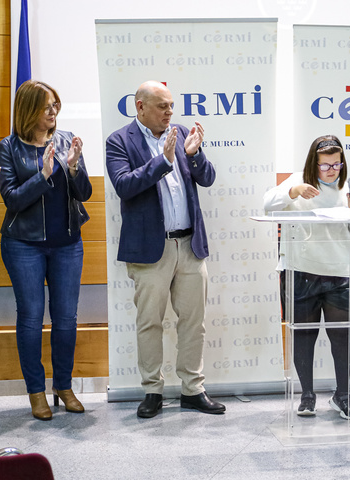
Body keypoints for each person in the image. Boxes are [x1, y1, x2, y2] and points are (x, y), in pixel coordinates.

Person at [106, 80, 224, 418]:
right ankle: (152, 391)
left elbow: (207, 178)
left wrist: (195, 154)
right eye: (162, 106)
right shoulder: (119, 141)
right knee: (149, 322)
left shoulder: (182, 131)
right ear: (140, 107)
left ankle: (192, 389)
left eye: (172, 106)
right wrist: (164, 159)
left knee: (193, 321)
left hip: (188, 244)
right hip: (149, 249)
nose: (170, 112)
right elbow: (124, 187)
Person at [0, 80, 92, 420]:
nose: (53, 112)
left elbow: (85, 194)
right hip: (24, 244)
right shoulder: (8, 147)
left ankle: (63, 387)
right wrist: (44, 174)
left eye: (56, 105)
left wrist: (76, 166)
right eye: (46, 106)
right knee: (32, 319)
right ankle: (36, 392)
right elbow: (12, 199)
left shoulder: (66, 140)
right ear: (28, 109)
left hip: (67, 244)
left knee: (66, 319)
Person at [263, 135, 350, 419]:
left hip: (340, 273)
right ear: (313, 164)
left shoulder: (349, 188)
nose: (332, 170)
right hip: (301, 271)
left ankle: (342, 396)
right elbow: (267, 205)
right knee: (303, 337)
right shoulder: (298, 180)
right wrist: (293, 192)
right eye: (325, 166)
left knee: (341, 337)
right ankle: (307, 394)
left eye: (337, 164)